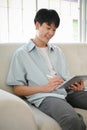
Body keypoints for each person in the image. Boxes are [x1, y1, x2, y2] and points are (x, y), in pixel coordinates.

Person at [6, 8, 87, 130]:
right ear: (37, 25)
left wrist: (76, 86)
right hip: (46, 96)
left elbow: (65, 79)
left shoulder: (58, 51)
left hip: (66, 92)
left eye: (54, 29)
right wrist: (45, 88)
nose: (51, 33)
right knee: (72, 120)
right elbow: (17, 89)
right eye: (48, 28)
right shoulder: (22, 54)